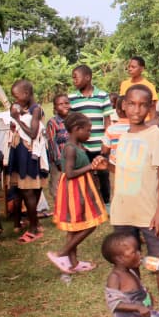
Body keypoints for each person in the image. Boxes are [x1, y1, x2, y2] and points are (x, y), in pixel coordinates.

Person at [111, 84, 159, 316]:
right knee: (128, 261)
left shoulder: (154, 134)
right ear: (124, 105)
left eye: (142, 105)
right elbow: (123, 169)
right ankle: (139, 304)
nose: (136, 109)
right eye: (132, 104)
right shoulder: (123, 135)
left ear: (150, 107)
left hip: (148, 211)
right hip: (123, 211)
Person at [47, 112, 108, 273]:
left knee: (74, 228)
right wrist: (91, 166)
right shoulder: (70, 149)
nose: (89, 134)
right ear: (76, 129)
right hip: (74, 190)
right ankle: (62, 254)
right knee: (91, 224)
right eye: (87, 131)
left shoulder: (79, 146)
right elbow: (69, 173)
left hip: (81, 187)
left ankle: (73, 263)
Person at [6, 79, 48, 243]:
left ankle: (33, 228)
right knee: (27, 191)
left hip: (29, 157)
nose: (15, 100)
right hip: (20, 154)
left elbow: (32, 133)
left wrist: (16, 118)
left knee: (30, 191)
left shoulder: (36, 109)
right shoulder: (25, 110)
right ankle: (33, 223)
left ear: (26, 94)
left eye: (17, 97)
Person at [68, 64, 114, 204]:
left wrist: (106, 143)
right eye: (73, 78)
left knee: (103, 175)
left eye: (76, 77)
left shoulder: (102, 96)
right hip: (82, 147)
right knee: (84, 175)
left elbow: (107, 121)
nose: (74, 81)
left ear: (87, 77)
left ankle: (106, 203)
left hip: (100, 145)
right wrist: (78, 145)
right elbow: (71, 123)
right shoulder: (72, 98)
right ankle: (88, 202)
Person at [45, 93, 70, 204]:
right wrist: (58, 160)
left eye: (66, 103)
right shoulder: (52, 123)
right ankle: (60, 212)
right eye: (60, 104)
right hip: (57, 162)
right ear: (55, 108)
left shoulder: (74, 119)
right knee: (57, 186)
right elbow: (52, 142)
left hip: (73, 159)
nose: (64, 106)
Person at [100, 95, 129, 167]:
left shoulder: (112, 129)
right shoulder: (138, 128)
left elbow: (104, 150)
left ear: (117, 111)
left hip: (115, 167)